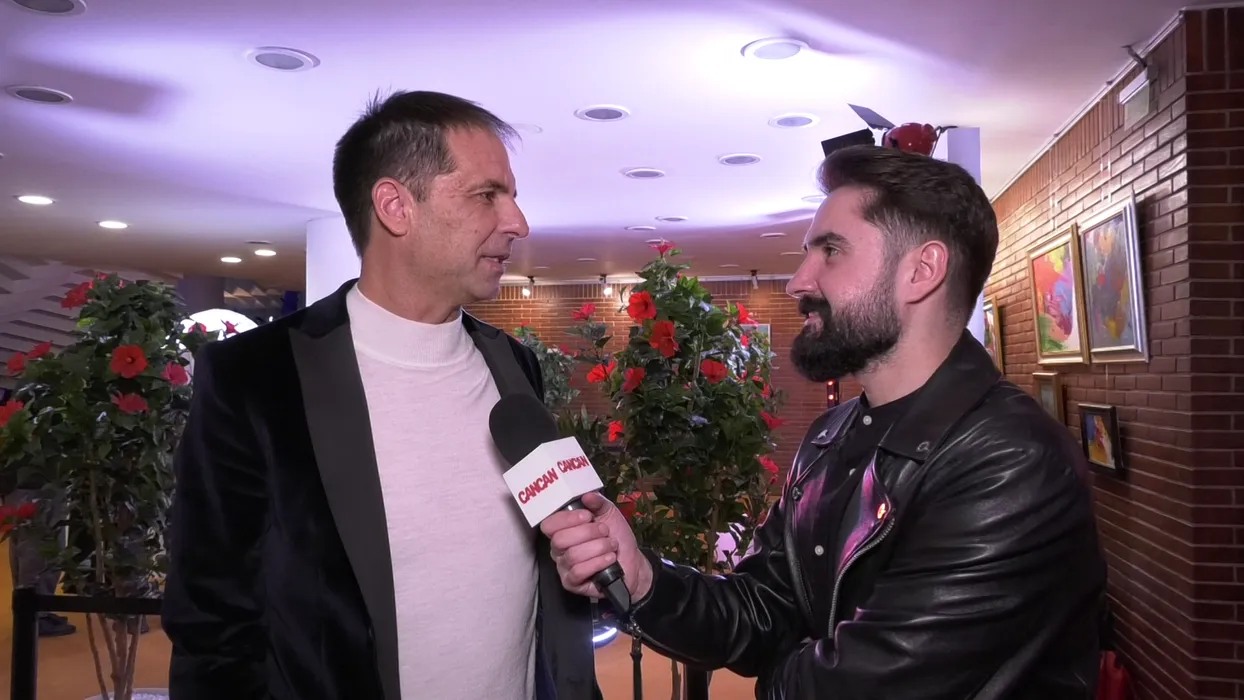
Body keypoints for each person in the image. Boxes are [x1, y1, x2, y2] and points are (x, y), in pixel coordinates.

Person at [542, 145, 1107, 699]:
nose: (798, 281)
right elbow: (762, 609)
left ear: (922, 271)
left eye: (831, 251)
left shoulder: (1010, 460)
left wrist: (778, 675)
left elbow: (860, 686)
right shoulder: (831, 436)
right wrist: (643, 580)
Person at [162, 91, 602, 700]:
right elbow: (212, 622)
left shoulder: (514, 363)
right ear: (396, 207)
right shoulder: (255, 377)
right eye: (487, 195)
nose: (517, 223)